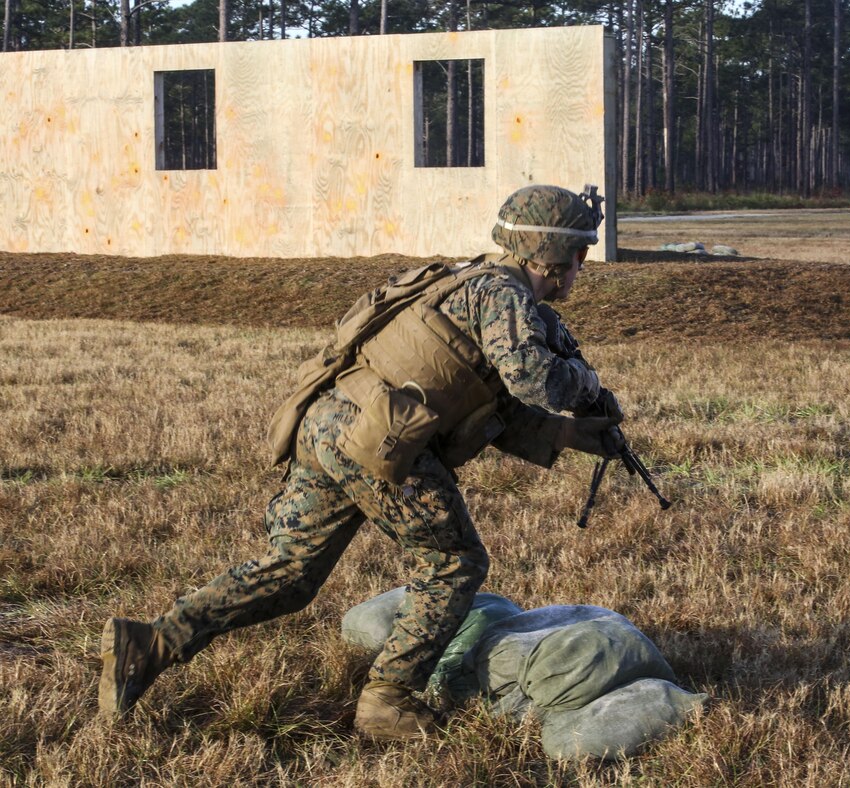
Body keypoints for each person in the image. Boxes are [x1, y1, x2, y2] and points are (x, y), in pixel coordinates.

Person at [98, 184, 626, 740]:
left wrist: (573, 435)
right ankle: (388, 701)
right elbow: (534, 379)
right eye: (579, 253)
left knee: (293, 573)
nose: (579, 268)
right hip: (383, 441)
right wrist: (587, 381)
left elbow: (484, 407)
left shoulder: (463, 280)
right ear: (556, 252)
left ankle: (151, 644)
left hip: (332, 425)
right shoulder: (505, 295)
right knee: (454, 564)